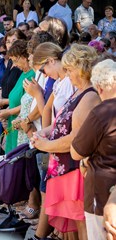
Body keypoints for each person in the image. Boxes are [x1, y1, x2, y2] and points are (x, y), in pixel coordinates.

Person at [31, 44, 101, 239]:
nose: (67, 74)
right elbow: (61, 123)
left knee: (83, 222)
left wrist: (46, 145)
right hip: (66, 166)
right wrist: (44, 133)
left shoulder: (90, 96)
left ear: (81, 69)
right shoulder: (79, 91)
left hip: (75, 168)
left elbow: (77, 138)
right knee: (75, 222)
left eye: (70, 70)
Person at [71, 59, 116, 240]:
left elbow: (76, 151)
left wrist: (84, 160)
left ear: (99, 87)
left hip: (102, 188)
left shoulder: (102, 112)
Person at [0, 40, 36, 152]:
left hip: (22, 123)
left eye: (15, 61)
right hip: (14, 122)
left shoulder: (32, 75)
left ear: (24, 57)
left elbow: (29, 103)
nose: (16, 65)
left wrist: (8, 112)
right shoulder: (23, 73)